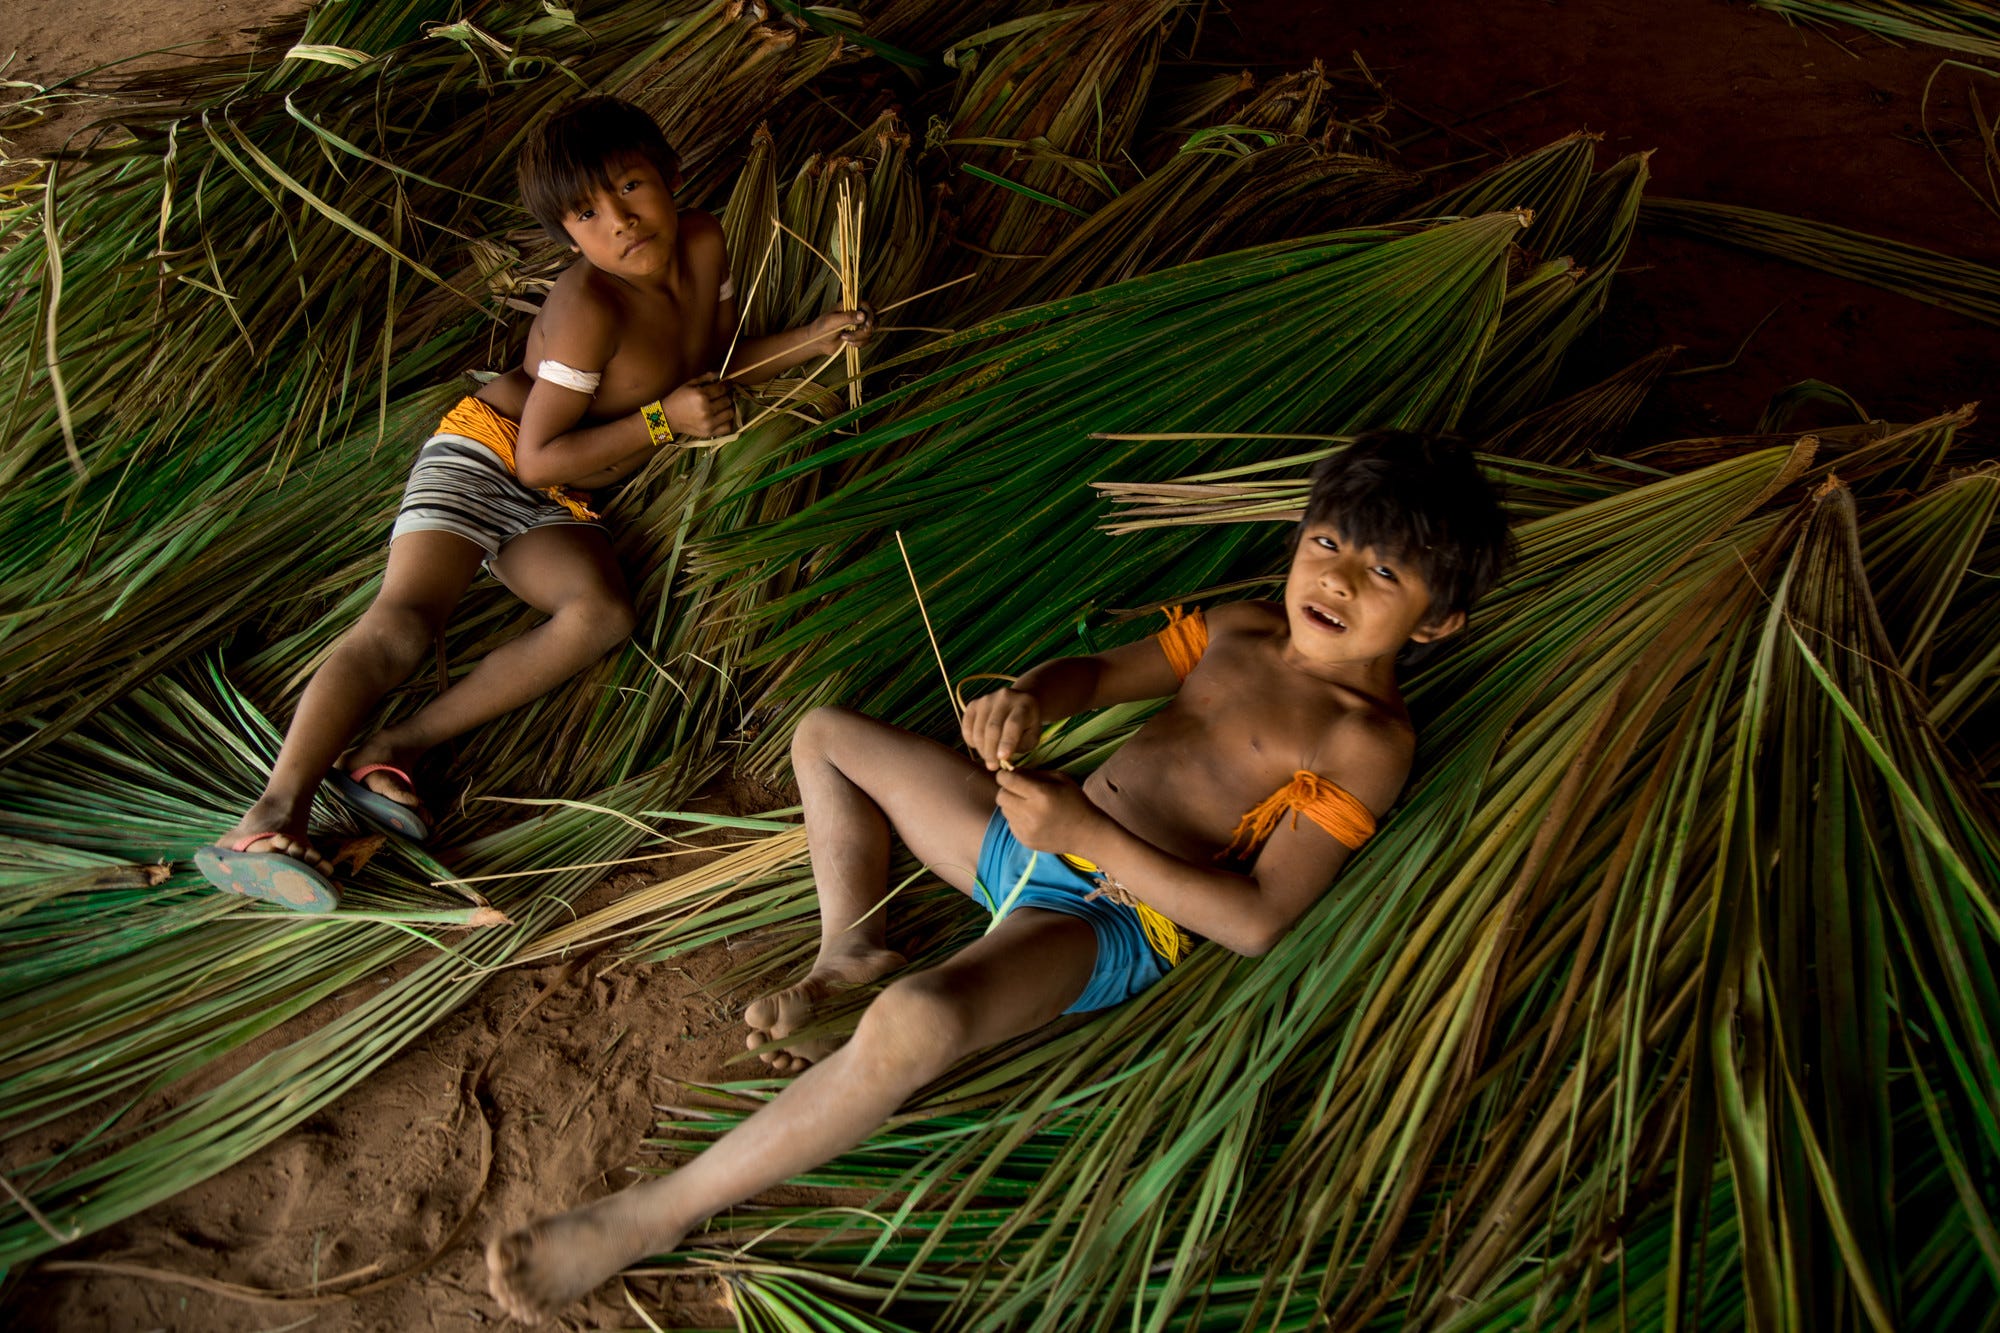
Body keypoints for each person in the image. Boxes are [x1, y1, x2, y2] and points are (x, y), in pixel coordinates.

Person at [483, 430, 1513, 1322]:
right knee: (826, 736)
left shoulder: (1365, 739)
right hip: (1029, 836)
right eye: (1328, 543)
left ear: (1436, 624)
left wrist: (1086, 831)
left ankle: (655, 1212)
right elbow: (1097, 674)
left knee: (917, 1020)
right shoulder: (1242, 626)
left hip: (1109, 915)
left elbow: (1255, 920)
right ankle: (848, 941)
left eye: (1384, 574)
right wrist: (1028, 698)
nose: (1336, 580)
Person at [196, 97, 873, 910]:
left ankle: (392, 747)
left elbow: (718, 365)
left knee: (601, 616)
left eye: (631, 186)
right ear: (568, 235)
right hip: (488, 452)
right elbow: (536, 454)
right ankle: (274, 810)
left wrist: (816, 338)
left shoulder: (704, 240)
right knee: (405, 624)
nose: (620, 220)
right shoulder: (590, 306)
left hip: (566, 489)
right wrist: (662, 423)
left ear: (670, 176)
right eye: (588, 213)